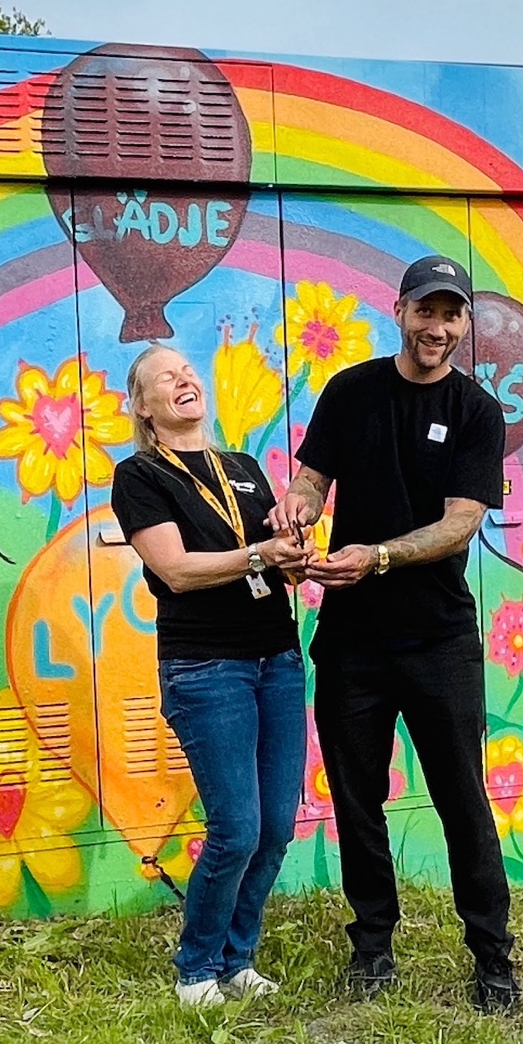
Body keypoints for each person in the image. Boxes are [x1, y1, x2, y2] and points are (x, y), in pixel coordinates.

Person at [276, 255, 518, 1013]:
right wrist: (297, 509)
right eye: (425, 312)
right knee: (356, 800)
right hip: (351, 639)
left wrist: (378, 555)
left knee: (461, 801)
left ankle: (493, 958)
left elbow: (459, 524)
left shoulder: (478, 412)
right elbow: (312, 477)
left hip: (439, 639)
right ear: (400, 311)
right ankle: (372, 950)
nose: (436, 329)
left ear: (463, 324)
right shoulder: (351, 390)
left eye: (450, 316)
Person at [111, 347, 311, 1010]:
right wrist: (259, 551)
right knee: (237, 828)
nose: (182, 379)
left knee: (277, 826)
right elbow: (176, 570)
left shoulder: (243, 469)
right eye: (164, 378)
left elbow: (269, 566)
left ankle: (236, 959)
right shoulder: (138, 474)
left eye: (187, 371)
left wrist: (294, 554)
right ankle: (196, 968)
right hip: (205, 668)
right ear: (143, 406)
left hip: (276, 659)